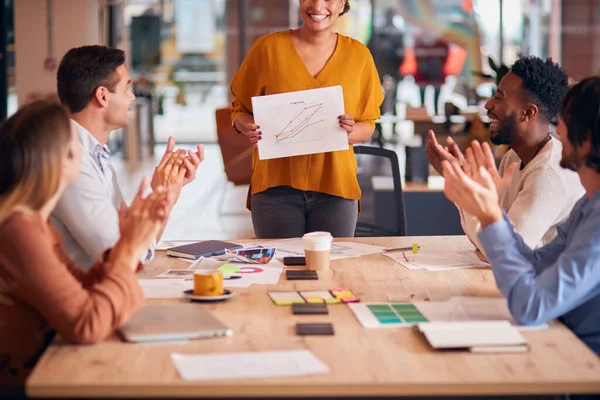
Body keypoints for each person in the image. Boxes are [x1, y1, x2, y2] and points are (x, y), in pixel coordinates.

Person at [0, 101, 173, 392]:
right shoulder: (19, 230)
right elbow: (86, 324)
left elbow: (81, 288)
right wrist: (129, 248)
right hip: (29, 382)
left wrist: (129, 241)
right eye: (76, 142)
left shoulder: (35, 224)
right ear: (63, 158)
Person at [441, 76, 600, 358]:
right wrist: (490, 214)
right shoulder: (589, 205)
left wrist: (490, 217)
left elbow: (531, 307)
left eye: (564, 120)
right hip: (564, 345)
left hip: (581, 365)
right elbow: (535, 263)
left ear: (586, 140)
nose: (557, 128)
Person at [230, 0, 384, 239]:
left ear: (342, 3)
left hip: (336, 189)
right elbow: (239, 109)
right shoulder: (268, 49)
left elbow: (368, 125)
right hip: (275, 188)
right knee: (279, 271)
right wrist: (247, 125)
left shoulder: (359, 56)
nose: (318, 5)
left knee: (332, 270)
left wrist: (349, 131)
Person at [51, 46, 204, 269]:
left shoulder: (94, 151)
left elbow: (133, 237)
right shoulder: (72, 159)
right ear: (102, 96)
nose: (132, 97)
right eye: (126, 88)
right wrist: (163, 196)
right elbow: (123, 256)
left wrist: (165, 192)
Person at [427, 56, 584, 255]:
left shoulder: (549, 174)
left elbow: (502, 251)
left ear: (527, 113)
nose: (488, 105)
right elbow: (492, 238)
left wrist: (460, 180)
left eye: (499, 98)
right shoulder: (514, 158)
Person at [368, 8, 404, 130]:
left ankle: (391, 128)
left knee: (392, 100)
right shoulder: (378, 33)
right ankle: (379, 129)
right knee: (379, 99)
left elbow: (401, 54)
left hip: (390, 70)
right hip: (381, 70)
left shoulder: (394, 33)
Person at [413, 33, 448, 116]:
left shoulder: (441, 41)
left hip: (436, 69)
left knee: (436, 90)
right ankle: (422, 110)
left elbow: (445, 52)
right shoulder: (419, 39)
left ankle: (436, 111)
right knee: (422, 91)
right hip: (423, 69)